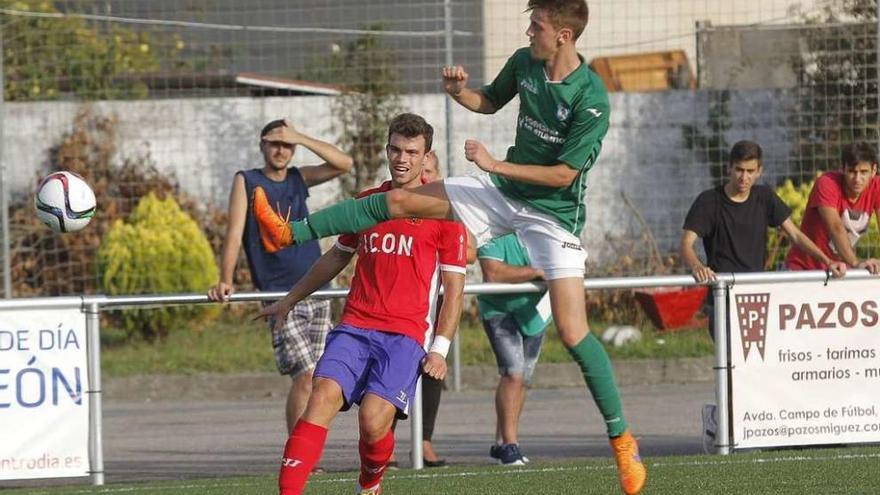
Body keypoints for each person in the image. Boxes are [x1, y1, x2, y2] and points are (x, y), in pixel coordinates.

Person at [253, 2, 647, 493]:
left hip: (552, 215)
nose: (529, 32)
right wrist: (460, 92)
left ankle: (622, 440)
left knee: (572, 330)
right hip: (501, 194)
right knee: (395, 200)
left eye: (538, 26)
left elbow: (564, 174)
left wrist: (495, 165)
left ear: (564, 35)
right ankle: (287, 231)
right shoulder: (526, 62)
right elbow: (489, 101)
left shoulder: (592, 98)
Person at [259, 113, 467, 495]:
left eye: (411, 151)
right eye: (395, 149)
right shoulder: (368, 204)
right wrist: (289, 300)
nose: (401, 158)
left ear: (426, 157)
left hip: (405, 336)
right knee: (320, 394)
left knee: (373, 421)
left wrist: (440, 349)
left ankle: (370, 482)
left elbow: (454, 288)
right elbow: (336, 257)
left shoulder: (446, 214)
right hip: (355, 325)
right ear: (387, 150)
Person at [680, 139, 847, 453]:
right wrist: (698, 266)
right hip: (723, 298)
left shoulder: (765, 197)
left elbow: (796, 234)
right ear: (729, 169)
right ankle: (721, 423)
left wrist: (826, 260)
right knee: (731, 365)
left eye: (750, 171)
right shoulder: (709, 202)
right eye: (739, 170)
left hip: (757, 298)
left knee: (761, 365)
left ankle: (753, 426)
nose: (744, 177)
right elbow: (686, 243)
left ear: (760, 172)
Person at [207, 119, 353, 437]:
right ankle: (298, 455)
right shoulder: (247, 181)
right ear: (262, 145)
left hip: (317, 288)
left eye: (287, 145)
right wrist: (225, 278)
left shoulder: (299, 179)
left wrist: (300, 135)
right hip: (280, 292)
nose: (281, 150)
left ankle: (307, 452)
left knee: (321, 378)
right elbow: (234, 233)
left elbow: (344, 163)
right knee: (304, 375)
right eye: (275, 143)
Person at [387, 151, 450, 469]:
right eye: (418, 170)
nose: (422, 177)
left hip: (434, 301)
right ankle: (387, 444)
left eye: (429, 171)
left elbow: (468, 253)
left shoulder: (446, 210)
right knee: (392, 373)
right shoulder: (395, 202)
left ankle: (424, 441)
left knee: (433, 371)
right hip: (400, 304)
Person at [477, 233, 551, 465]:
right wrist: (536, 272)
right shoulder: (490, 229)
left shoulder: (544, 225)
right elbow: (493, 273)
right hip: (499, 310)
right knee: (513, 373)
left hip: (536, 313)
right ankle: (510, 445)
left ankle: (502, 443)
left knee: (523, 380)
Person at [785, 142, 880, 274]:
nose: (858, 179)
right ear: (842, 169)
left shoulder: (877, 187)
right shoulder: (827, 183)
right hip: (804, 268)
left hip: (840, 270)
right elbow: (835, 227)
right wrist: (856, 263)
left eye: (864, 172)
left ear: (874, 170)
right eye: (852, 172)